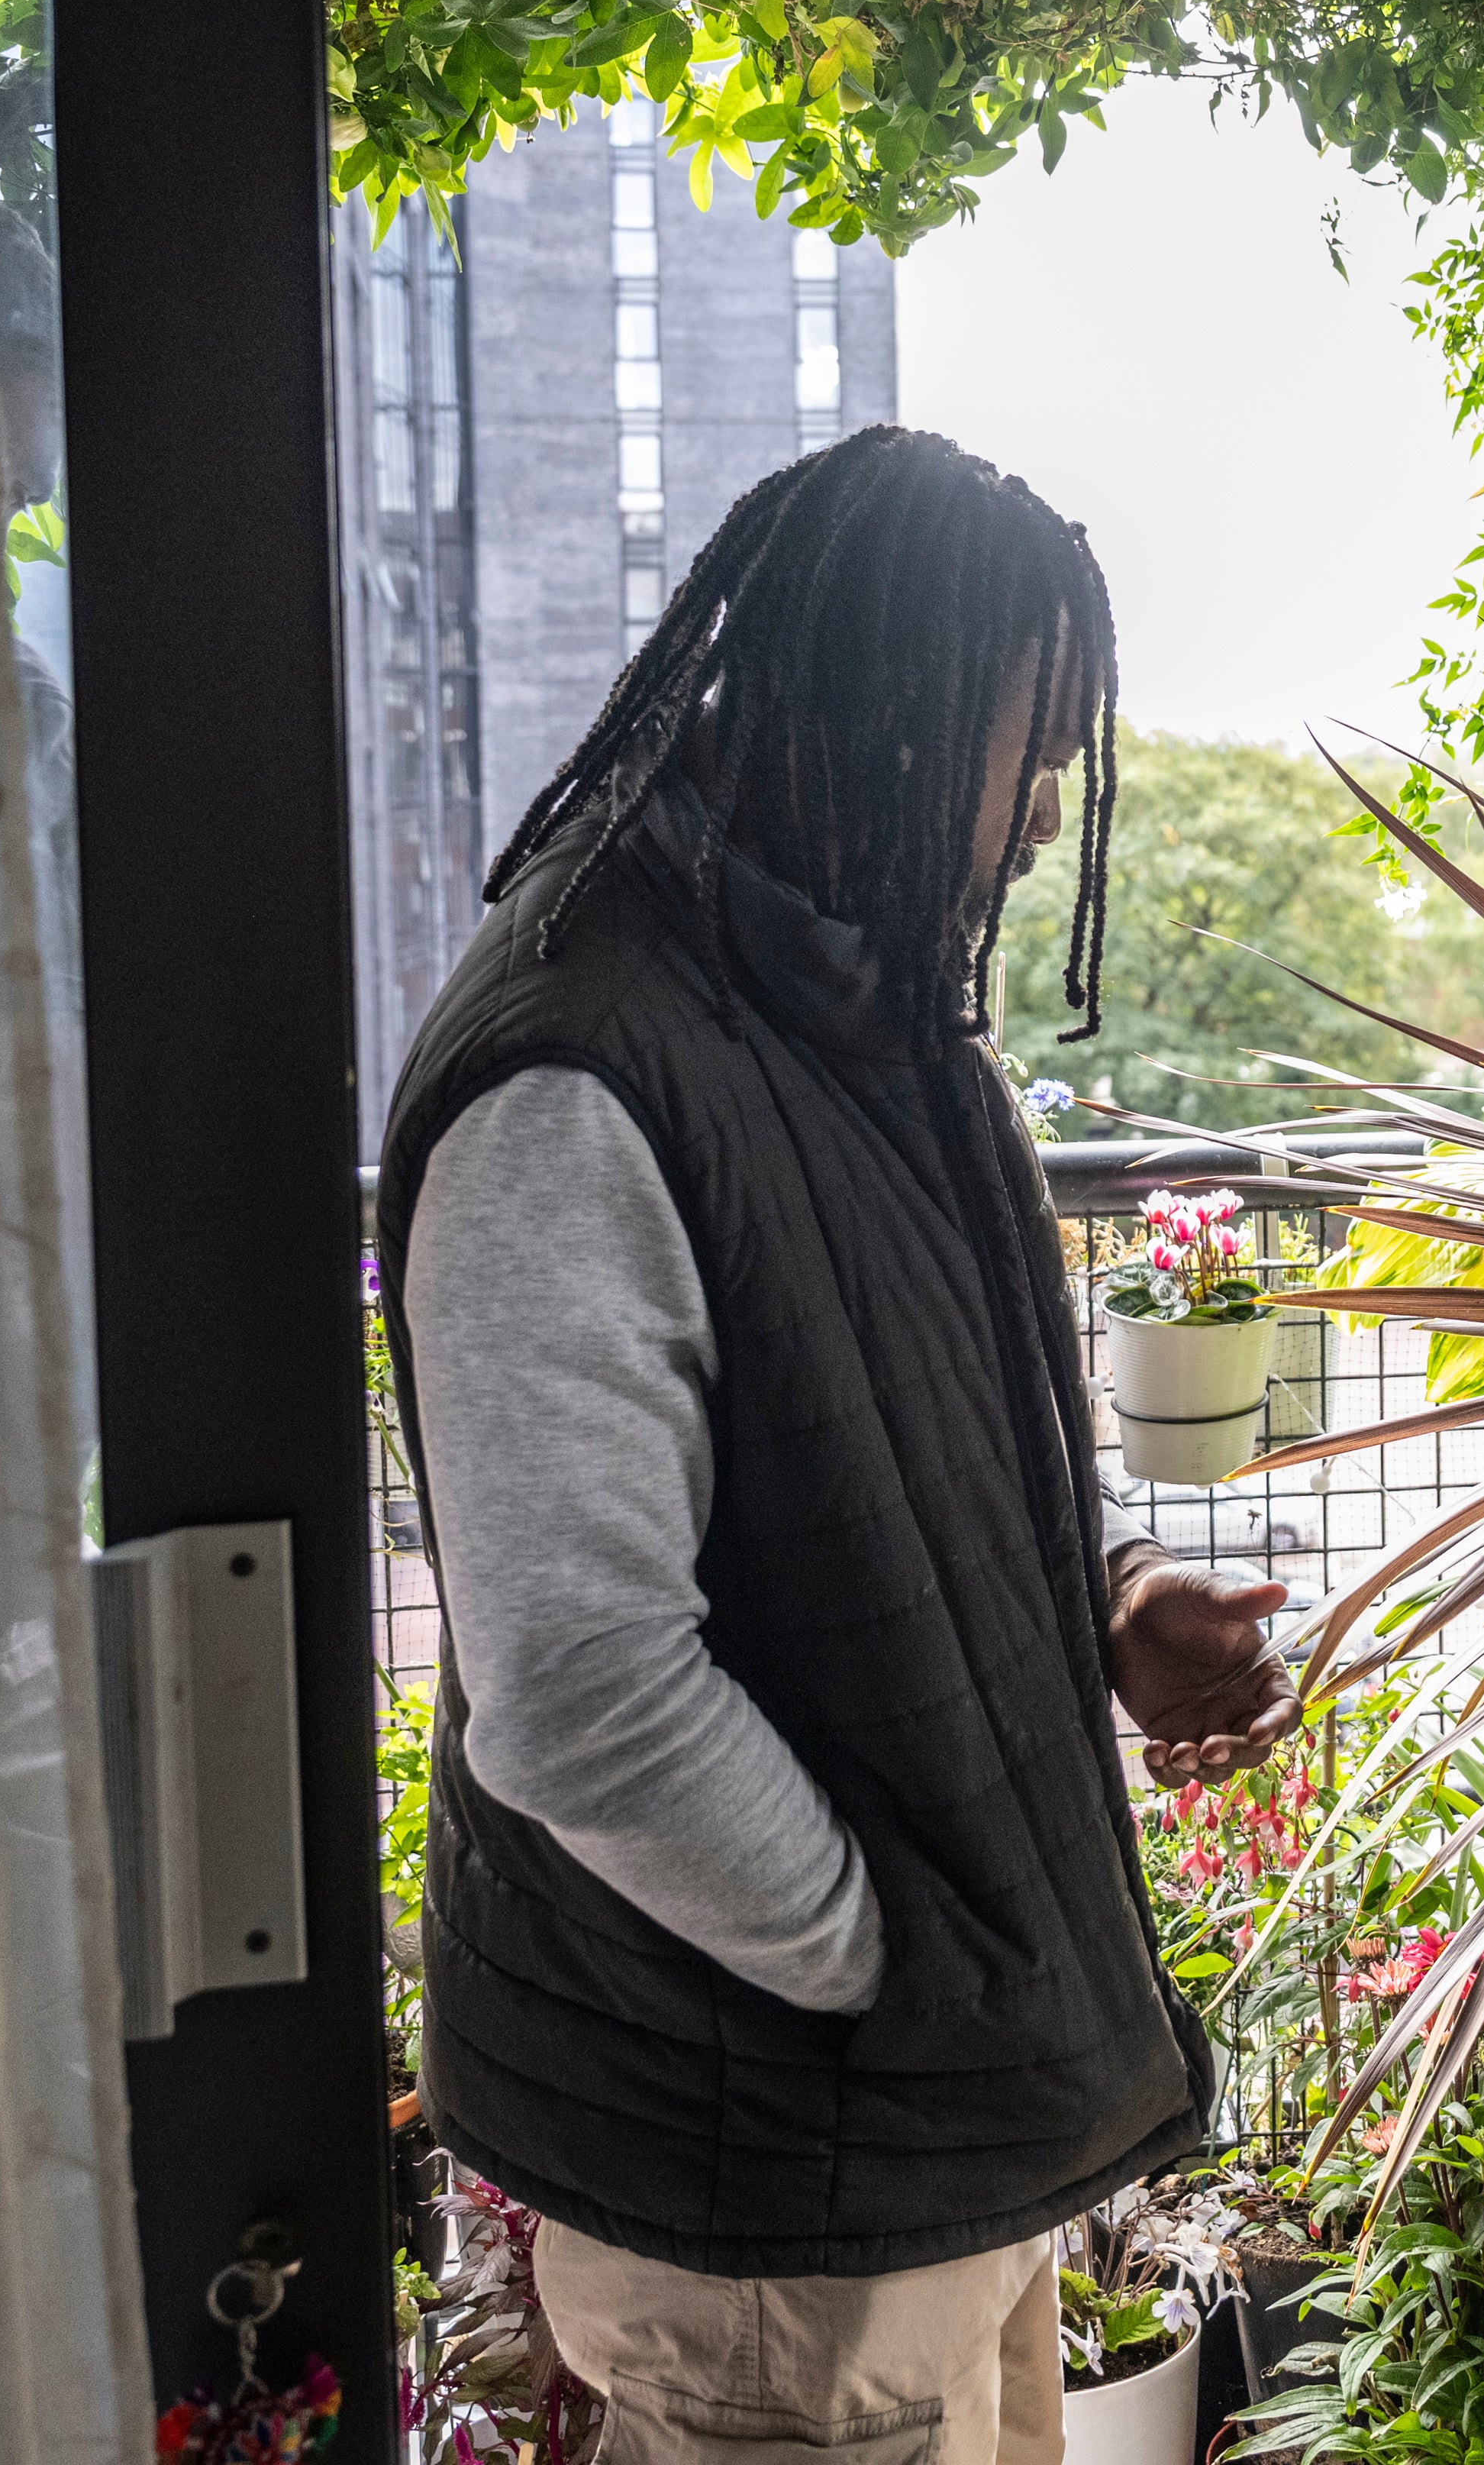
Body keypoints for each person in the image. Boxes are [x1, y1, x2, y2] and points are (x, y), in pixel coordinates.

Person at [376, 427, 1296, 2465]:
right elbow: (584, 1698)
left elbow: (932, 1449)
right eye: (1023, 752)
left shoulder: (857, 1025)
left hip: (916, 2160)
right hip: (774, 2204)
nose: (1047, 819)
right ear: (869, 712)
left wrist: (1119, 1596)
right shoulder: (576, 1075)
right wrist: (899, 1965)